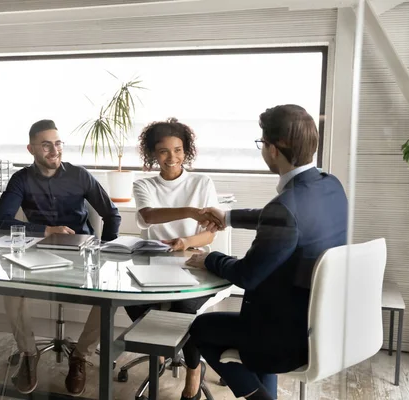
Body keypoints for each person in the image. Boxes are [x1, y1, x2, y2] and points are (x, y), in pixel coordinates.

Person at [185, 105, 348, 400]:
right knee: (249, 322)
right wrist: (229, 216)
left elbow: (247, 275)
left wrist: (208, 258)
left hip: (283, 341)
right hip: (319, 326)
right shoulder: (329, 185)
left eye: (262, 143)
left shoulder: (284, 208)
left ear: (273, 149)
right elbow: (284, 220)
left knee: (200, 328)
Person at [0, 119, 122, 395]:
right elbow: (0, 222)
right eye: (46, 145)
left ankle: (80, 356)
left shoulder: (79, 175)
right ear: (31, 149)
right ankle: (29, 353)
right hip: (36, 252)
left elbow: (111, 213)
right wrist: (46, 230)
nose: (55, 150)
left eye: (58, 143)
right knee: (10, 290)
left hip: (80, 252)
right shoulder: (21, 179)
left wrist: (108, 247)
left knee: (108, 296)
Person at [125, 118, 221, 400]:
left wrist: (185, 242)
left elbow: (209, 235)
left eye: (178, 150)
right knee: (128, 297)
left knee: (182, 308)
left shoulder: (202, 182)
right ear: (153, 153)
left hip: (193, 263)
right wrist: (191, 211)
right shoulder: (143, 185)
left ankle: (194, 370)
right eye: (164, 151)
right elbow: (149, 216)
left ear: (186, 151)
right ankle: (159, 352)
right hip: (153, 264)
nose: (172, 157)